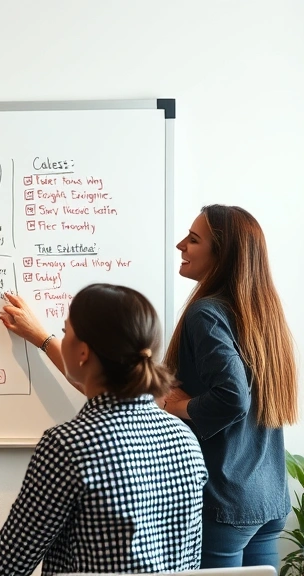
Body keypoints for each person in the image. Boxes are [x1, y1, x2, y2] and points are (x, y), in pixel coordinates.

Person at [0, 284, 208, 575]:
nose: (62, 339)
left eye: (64, 333)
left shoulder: (67, 446)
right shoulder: (185, 440)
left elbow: (9, 564)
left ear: (83, 353)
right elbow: (190, 563)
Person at [161, 205, 296, 568]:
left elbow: (234, 398)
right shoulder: (265, 315)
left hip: (227, 502)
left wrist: (177, 406)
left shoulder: (205, 312)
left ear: (223, 254)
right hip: (270, 501)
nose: (180, 246)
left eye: (193, 239)